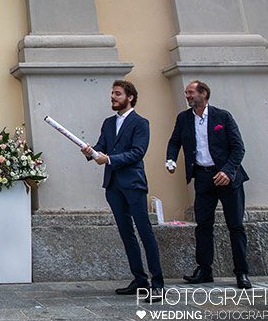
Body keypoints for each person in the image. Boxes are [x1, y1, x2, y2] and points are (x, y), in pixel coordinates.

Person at [165, 80, 252, 289]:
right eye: (186, 93)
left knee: (235, 225)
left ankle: (242, 273)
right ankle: (204, 269)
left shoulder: (223, 116)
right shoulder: (184, 118)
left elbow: (238, 148)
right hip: (202, 177)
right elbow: (174, 141)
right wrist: (171, 159)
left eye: (191, 92)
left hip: (227, 177)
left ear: (204, 94)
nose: (187, 96)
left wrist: (227, 171)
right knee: (203, 225)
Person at [81, 80, 163, 297]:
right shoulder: (108, 123)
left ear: (130, 97)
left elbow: (137, 152)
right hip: (113, 186)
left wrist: (108, 159)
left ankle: (158, 283)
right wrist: (91, 152)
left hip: (133, 184)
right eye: (112, 94)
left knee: (145, 232)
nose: (113, 97)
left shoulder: (140, 123)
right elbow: (102, 148)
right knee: (126, 234)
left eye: (117, 94)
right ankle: (139, 280)